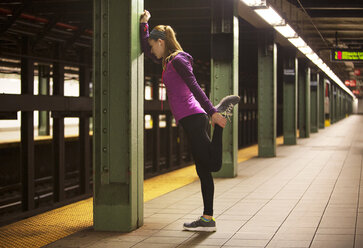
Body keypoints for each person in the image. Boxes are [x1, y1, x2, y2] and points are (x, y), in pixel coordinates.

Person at [140, 10, 240, 232]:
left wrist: (213, 112)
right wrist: (144, 24)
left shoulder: (178, 60)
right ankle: (208, 219)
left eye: (153, 44)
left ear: (161, 42)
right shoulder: (168, 62)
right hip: (189, 119)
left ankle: (220, 119)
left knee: (212, 165)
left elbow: (195, 87)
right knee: (203, 170)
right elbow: (145, 50)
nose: (152, 50)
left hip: (195, 117)